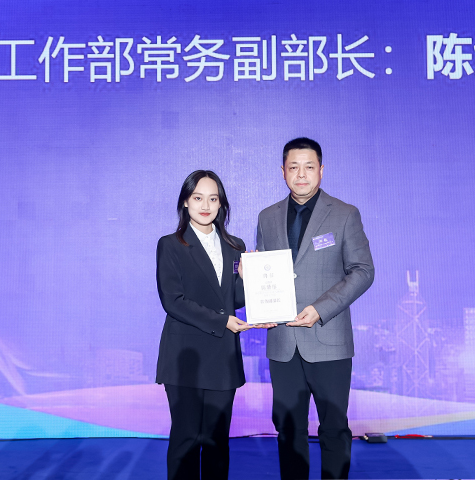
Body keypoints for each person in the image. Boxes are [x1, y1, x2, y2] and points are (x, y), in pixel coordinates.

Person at [255, 138, 374, 479]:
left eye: (309, 167)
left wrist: (321, 309)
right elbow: (264, 271)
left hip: (328, 338)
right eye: (293, 167)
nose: (301, 174)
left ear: (321, 170)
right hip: (283, 342)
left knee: (334, 428)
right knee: (288, 429)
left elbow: (363, 271)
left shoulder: (345, 214)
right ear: (282, 171)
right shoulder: (267, 217)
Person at [156, 170, 253, 480]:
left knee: (216, 442)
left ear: (221, 203)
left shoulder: (236, 245)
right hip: (186, 357)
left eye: (213, 198)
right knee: (186, 439)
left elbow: (234, 299)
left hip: (222, 357)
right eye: (198, 198)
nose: (206, 205)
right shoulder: (170, 245)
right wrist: (221, 321)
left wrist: (254, 281)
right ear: (186, 201)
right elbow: (173, 301)